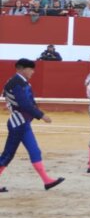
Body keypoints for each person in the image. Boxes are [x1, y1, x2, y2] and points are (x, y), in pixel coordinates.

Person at [0, 58, 66, 192]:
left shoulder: (20, 82)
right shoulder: (16, 83)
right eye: (30, 69)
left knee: (35, 151)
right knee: (8, 154)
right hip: (18, 123)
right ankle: (46, 180)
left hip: (24, 123)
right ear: (21, 69)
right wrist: (41, 115)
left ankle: (47, 181)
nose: (33, 72)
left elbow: (29, 102)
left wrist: (36, 112)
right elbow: (24, 104)